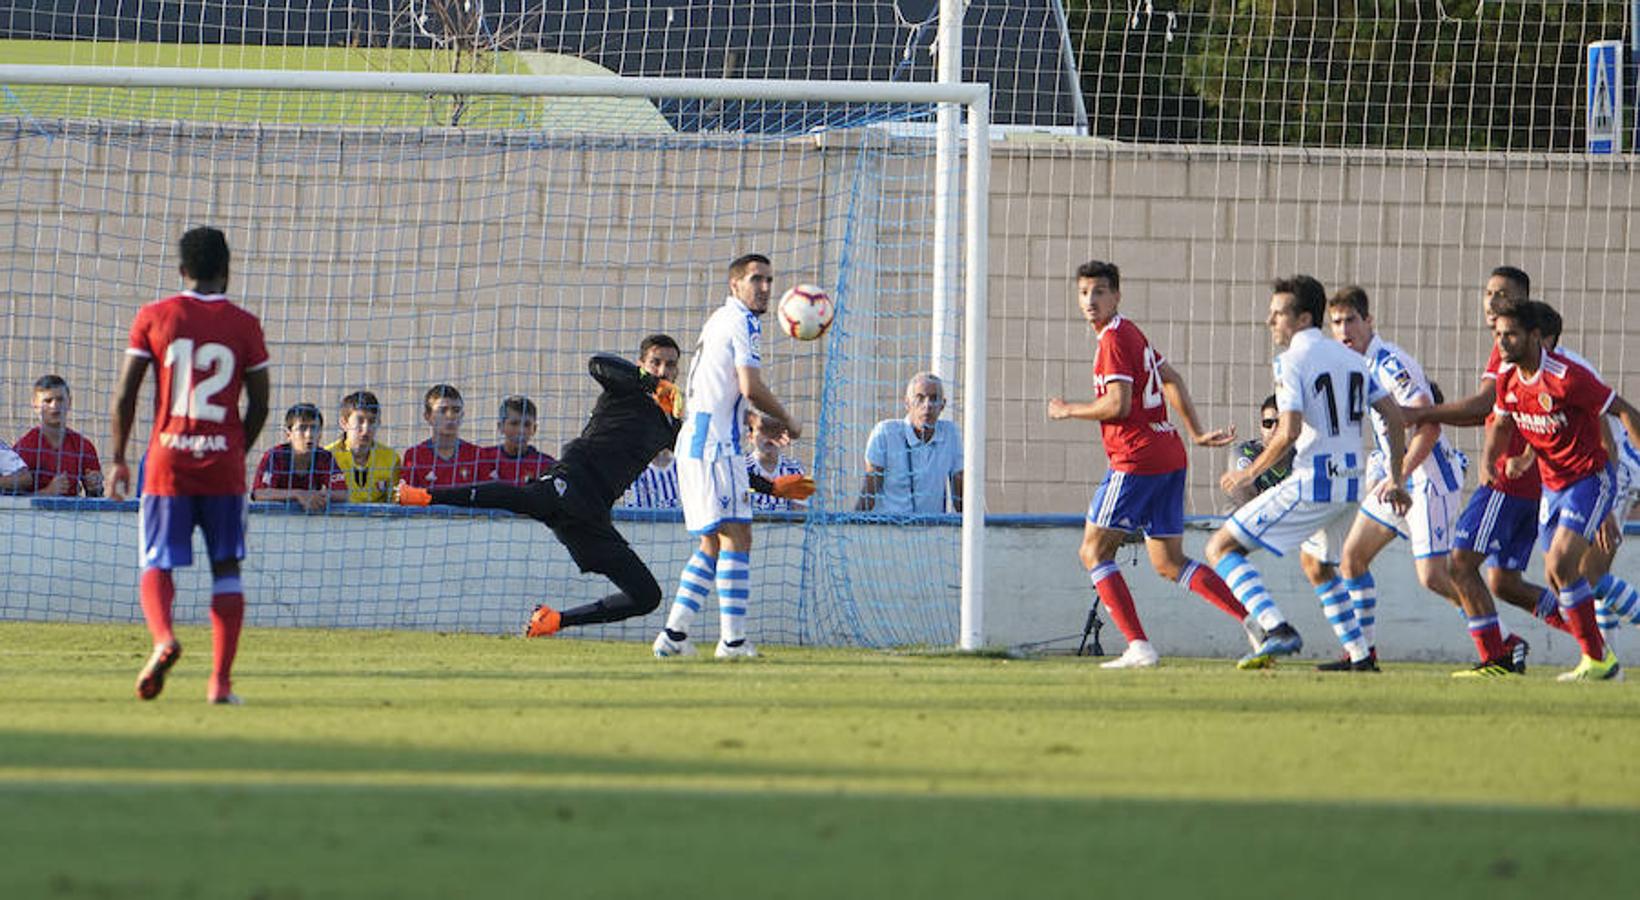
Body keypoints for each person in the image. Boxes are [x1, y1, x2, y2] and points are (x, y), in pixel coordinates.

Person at [1046, 259, 1251, 668]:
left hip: (1136, 458)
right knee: (1169, 562)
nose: (1091, 300)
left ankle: (1138, 646)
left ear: (1117, 295)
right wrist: (1193, 431)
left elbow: (1118, 405)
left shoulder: (1113, 340)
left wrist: (1069, 409)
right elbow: (1171, 377)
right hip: (1168, 454)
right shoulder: (1130, 332)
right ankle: (1256, 621)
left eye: (1100, 292)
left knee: (1093, 551)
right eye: (1085, 292)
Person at [1206, 275, 1412, 671]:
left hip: (1313, 483)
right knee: (1317, 564)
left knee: (1221, 548)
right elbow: (1395, 418)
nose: (1271, 322)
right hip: (1350, 487)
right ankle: (1359, 656)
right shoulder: (1353, 359)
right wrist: (1396, 477)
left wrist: (1249, 474)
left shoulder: (1290, 362)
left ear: (1302, 319)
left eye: (1278, 313)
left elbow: (1289, 431)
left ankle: (1275, 627)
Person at [107, 226, 270, 705]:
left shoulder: (155, 317)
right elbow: (260, 403)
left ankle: (163, 638)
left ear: (182, 270)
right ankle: (219, 683)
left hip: (167, 464)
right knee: (227, 567)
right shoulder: (245, 325)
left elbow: (125, 394)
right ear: (227, 270)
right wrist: (237, 450)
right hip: (222, 466)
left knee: (158, 559)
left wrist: (118, 458)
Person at [655, 253, 807, 659]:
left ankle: (673, 636)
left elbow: (723, 391)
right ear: (735, 285)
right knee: (736, 536)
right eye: (756, 279)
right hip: (714, 448)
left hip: (701, 442)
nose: (765, 288)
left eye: (770, 280)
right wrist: (787, 419)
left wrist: (756, 423)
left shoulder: (719, 319)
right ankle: (733, 642)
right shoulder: (743, 321)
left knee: (714, 543)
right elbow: (748, 384)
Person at [1403, 268, 1554, 674]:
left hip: (1509, 479)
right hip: (1532, 482)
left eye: (1502, 294)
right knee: (1504, 583)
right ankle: (1588, 636)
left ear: (1523, 298)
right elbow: (1487, 413)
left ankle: (1497, 657)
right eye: (1487, 292)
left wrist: (1418, 413)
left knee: (1458, 565)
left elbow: (1484, 405)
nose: (1491, 301)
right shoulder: (1516, 345)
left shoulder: (1515, 346)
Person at [1486, 301, 1640, 680]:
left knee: (1564, 566)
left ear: (1536, 337)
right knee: (1560, 577)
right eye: (1498, 335)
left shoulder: (1567, 376)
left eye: (1511, 335)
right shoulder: (1507, 378)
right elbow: (1505, 424)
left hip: (1591, 478)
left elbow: (1622, 411)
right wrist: (1493, 461)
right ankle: (1600, 660)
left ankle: (1600, 660)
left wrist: (1607, 506)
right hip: (1552, 485)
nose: (1503, 343)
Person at [1322, 286, 1467, 670]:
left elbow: (1428, 425)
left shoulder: (1388, 363)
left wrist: (1398, 475)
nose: (1343, 329)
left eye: (1350, 320)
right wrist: (1382, 470)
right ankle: (1362, 654)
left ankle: (1499, 638)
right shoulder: (1356, 365)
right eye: (1335, 322)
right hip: (1397, 478)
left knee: (1434, 576)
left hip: (1428, 478)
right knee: (1352, 558)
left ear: (1369, 322)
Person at [855, 372, 963, 514]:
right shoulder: (886, 433)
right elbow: (868, 494)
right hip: (890, 530)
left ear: (943, 405)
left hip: (933, 532)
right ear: (907, 403)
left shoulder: (950, 434)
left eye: (934, 398)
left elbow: (961, 499)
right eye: (920, 398)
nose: (927, 405)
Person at [15, 374, 103, 497]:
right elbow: (10, 502)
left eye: (60, 399)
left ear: (70, 402)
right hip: (34, 516)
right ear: (35, 405)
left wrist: (95, 487)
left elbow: (96, 498)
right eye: (48, 401)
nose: (54, 406)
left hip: (74, 514)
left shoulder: (83, 446)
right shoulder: (25, 448)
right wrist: (47, 492)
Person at [622, 334, 682, 509]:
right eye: (655, 363)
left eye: (670, 365)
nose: (662, 372)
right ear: (641, 366)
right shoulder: (622, 412)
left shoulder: (678, 421)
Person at [252, 403, 347, 512]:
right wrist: (298, 494)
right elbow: (260, 493)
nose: (309, 434)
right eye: (302, 428)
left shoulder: (324, 457)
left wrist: (316, 496)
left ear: (320, 433)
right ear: (288, 434)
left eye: (314, 428)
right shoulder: (275, 457)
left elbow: (343, 493)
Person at [400, 384, 485, 489]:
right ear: (428, 416)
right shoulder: (414, 455)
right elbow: (406, 499)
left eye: (456, 410)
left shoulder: (478, 455)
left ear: (462, 415)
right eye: (443, 410)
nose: (450, 416)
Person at [327, 390, 399, 503]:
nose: (366, 429)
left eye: (372, 421)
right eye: (359, 421)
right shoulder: (328, 456)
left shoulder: (391, 458)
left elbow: (396, 502)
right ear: (344, 423)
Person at [1223, 393, 1293, 508]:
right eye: (1268, 423)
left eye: (1280, 423)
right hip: (1242, 522)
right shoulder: (1245, 453)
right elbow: (1247, 502)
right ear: (1261, 427)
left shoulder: (1301, 454)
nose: (1273, 429)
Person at [483, 395, 556, 485]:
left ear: (534, 429)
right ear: (500, 426)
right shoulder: (484, 458)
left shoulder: (546, 465)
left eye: (527, 425)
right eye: (514, 423)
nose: (521, 430)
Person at [746, 407, 807, 512]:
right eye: (763, 430)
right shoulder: (741, 468)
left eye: (775, 431)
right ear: (751, 437)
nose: (770, 437)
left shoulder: (794, 470)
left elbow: (800, 513)